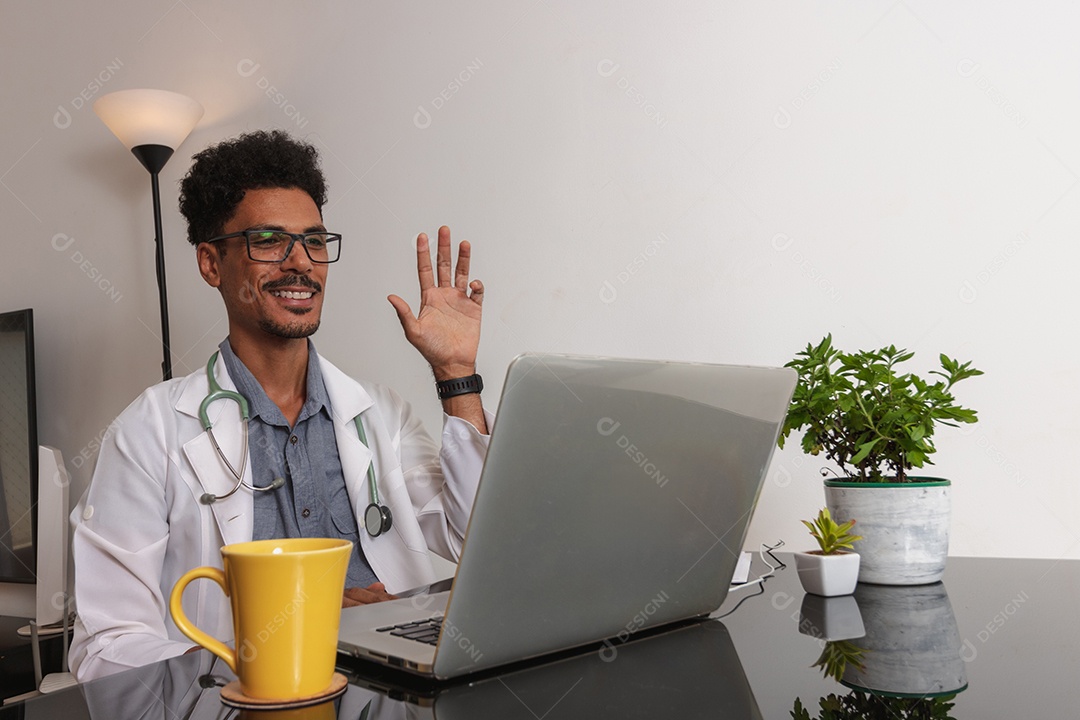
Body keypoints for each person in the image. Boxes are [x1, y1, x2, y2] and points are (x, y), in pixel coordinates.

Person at [68, 130, 492, 681]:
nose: (302, 264)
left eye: (314, 241)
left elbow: (475, 544)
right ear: (211, 264)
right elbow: (105, 650)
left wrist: (456, 374)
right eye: (269, 240)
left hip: (391, 694)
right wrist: (288, 633)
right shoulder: (149, 432)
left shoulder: (378, 415)